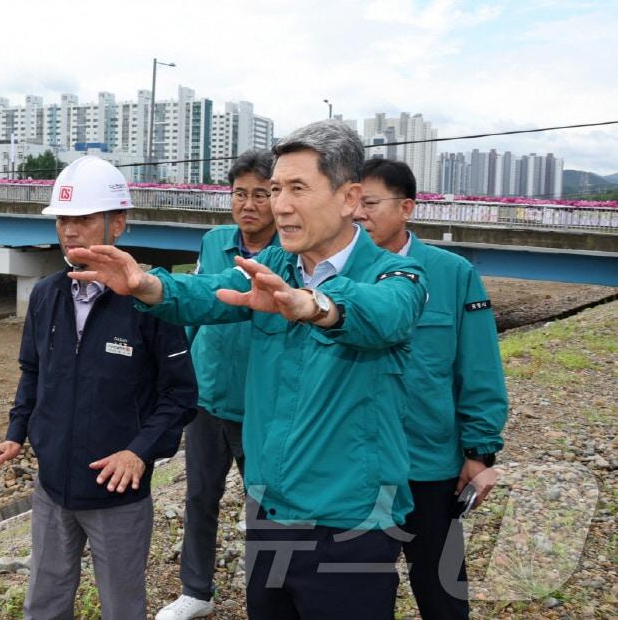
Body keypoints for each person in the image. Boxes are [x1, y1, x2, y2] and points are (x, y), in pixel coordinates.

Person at [68, 120, 426, 619]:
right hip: (270, 507)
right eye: (276, 189)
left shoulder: (394, 271)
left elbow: (386, 312)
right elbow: (207, 292)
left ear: (349, 198)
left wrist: (315, 305)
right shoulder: (276, 263)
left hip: (351, 521)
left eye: (297, 189)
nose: (279, 205)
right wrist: (147, 285)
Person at [0, 155, 197, 620]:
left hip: (117, 493)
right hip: (52, 487)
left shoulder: (151, 300)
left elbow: (180, 396)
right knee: (44, 603)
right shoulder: (45, 295)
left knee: (122, 608)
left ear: (117, 223)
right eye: (63, 219)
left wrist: (139, 451)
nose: (69, 231)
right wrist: (16, 434)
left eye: (81, 218)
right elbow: (33, 372)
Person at [354, 158, 507, 619]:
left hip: (430, 461)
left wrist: (479, 451)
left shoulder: (453, 273)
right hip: (359, 465)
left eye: (370, 203)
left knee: (441, 587)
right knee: (357, 586)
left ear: (406, 208)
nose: (358, 214)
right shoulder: (337, 273)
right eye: (352, 202)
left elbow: (478, 367)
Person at [157, 150, 279, 620]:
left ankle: (267, 595)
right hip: (207, 396)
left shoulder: (286, 257)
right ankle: (196, 591)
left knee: (264, 505)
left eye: (261, 195)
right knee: (200, 496)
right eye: (240, 194)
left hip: (260, 404)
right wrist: (181, 375)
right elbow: (195, 307)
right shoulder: (214, 242)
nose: (249, 205)